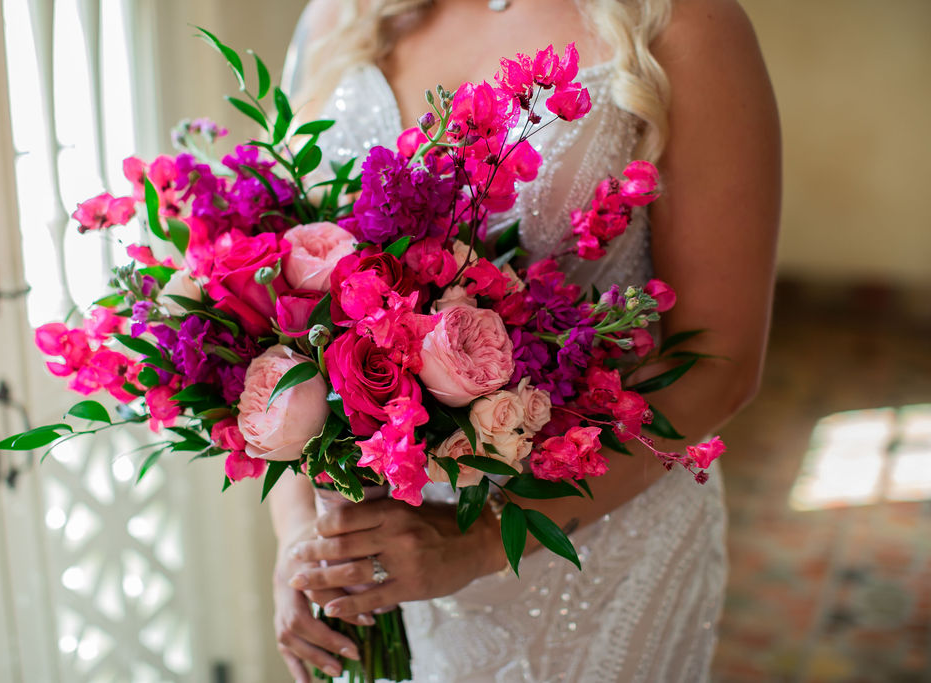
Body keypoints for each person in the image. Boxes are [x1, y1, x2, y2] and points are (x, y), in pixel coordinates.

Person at [268, 0, 780, 680]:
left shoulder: (685, 24)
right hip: (369, 557)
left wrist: (478, 540)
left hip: (591, 550)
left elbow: (721, 361)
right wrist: (301, 534)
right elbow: (279, 311)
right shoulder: (340, 15)